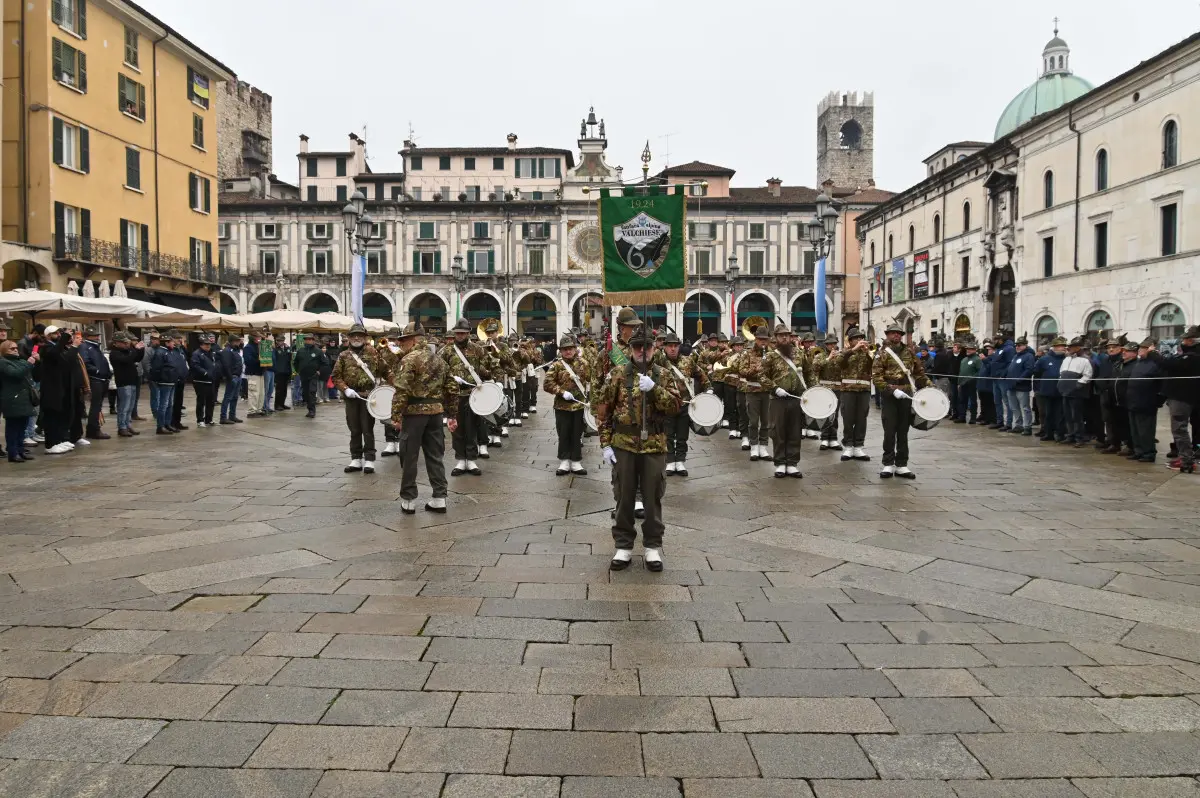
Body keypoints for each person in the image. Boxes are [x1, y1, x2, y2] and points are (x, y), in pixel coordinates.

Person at [592, 326, 683, 572]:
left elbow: (676, 406)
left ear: (655, 348)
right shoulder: (617, 374)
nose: (643, 351)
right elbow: (603, 411)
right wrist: (605, 443)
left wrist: (654, 388)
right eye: (637, 347)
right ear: (631, 349)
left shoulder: (664, 374)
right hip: (624, 444)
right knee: (623, 496)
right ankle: (623, 545)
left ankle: (653, 546)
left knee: (653, 497)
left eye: (648, 347)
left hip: (654, 444)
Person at [389, 322, 450, 513]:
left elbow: (401, 390)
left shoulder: (409, 359)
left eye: (404, 340)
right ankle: (439, 498)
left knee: (409, 455)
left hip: (414, 414)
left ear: (413, 339)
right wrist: (452, 414)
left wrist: (396, 416)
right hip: (436, 413)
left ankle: (408, 500)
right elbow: (452, 388)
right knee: (435, 455)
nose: (401, 345)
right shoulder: (440, 360)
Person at [872, 322, 931, 479]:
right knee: (890, 430)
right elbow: (876, 377)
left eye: (899, 333)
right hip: (891, 396)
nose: (896, 335)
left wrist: (930, 388)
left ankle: (902, 465)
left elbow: (919, 373)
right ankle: (888, 463)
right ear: (888, 335)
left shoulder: (909, 352)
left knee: (903, 431)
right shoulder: (882, 353)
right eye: (893, 333)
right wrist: (890, 390)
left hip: (906, 395)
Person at [441, 317, 497, 477]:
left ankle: (471, 459)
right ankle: (460, 459)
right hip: (454, 395)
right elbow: (439, 370)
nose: (460, 336)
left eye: (463, 333)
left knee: (473, 426)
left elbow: (488, 365)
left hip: (474, 394)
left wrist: (490, 379)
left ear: (468, 334)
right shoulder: (446, 350)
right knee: (456, 427)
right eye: (458, 333)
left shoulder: (478, 349)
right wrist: (450, 379)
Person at [761, 323, 815, 477]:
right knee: (778, 431)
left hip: (796, 398)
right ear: (776, 338)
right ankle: (780, 463)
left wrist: (814, 390)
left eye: (787, 335)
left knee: (794, 430)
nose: (785, 337)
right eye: (781, 335)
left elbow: (809, 373)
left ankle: (792, 462)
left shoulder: (799, 354)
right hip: (778, 399)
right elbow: (761, 376)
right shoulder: (771, 356)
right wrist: (774, 388)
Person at [332, 323, 385, 474]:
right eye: (353, 335)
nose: (356, 338)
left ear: (364, 338)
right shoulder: (343, 356)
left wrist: (388, 389)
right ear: (348, 338)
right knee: (354, 428)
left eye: (359, 335)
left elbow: (386, 370)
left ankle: (369, 459)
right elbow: (336, 376)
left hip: (369, 397)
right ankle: (356, 458)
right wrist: (345, 389)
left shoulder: (373, 353)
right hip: (352, 397)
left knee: (367, 429)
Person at [658, 330, 710, 476]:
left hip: (684, 404)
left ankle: (680, 461)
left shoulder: (687, 361)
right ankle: (670, 461)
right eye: (669, 346)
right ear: (664, 347)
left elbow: (701, 375)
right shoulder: (659, 363)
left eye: (675, 345)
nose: (673, 349)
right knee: (667, 434)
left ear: (679, 346)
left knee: (682, 435)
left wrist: (709, 388)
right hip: (667, 405)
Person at [1150, 325, 1200, 472]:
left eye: (1185, 339)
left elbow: (1168, 364)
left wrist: (1153, 354)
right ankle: (1187, 456)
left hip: (1182, 397)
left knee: (1179, 429)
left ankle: (1187, 461)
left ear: (1191, 341)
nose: (1182, 342)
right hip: (1185, 397)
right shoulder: (1189, 356)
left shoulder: (1193, 357)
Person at [543, 333, 591, 476]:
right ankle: (564, 461)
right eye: (565, 349)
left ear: (575, 349)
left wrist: (591, 399)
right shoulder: (556, 365)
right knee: (563, 433)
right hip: (562, 405)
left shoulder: (584, 363)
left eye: (570, 348)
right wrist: (561, 392)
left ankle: (576, 461)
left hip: (579, 405)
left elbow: (591, 382)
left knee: (577, 433)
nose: (568, 351)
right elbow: (547, 383)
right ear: (561, 351)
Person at [836, 327, 873, 461]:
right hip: (848, 390)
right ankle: (848, 446)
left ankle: (858, 446)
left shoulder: (867, 353)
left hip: (864, 390)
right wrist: (853, 350)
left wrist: (868, 352)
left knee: (861, 418)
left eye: (860, 338)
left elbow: (875, 366)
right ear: (850, 341)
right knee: (848, 418)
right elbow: (838, 362)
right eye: (856, 339)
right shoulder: (845, 352)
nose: (859, 340)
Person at [1126, 338, 1165, 462]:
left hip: (1147, 402)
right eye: (1140, 348)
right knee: (1135, 430)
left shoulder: (1155, 363)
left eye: (1143, 348)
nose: (1140, 350)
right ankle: (1139, 451)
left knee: (1146, 431)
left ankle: (1148, 453)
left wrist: (1158, 400)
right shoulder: (1139, 363)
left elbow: (1161, 383)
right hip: (1133, 401)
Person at [737, 326, 772, 462]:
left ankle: (763, 447)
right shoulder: (747, 353)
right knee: (753, 421)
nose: (763, 342)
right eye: (760, 339)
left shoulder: (771, 354)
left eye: (765, 339)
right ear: (755, 339)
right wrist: (755, 369)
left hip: (766, 391)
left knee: (766, 421)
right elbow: (742, 371)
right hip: (752, 391)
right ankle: (754, 446)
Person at [1, 339, 38, 462]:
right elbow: (16, 374)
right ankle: (13, 452)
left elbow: (31, 373)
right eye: (12, 348)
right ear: (4, 350)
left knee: (22, 427)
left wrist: (35, 362)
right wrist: (28, 364)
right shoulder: (3, 362)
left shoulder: (21, 361)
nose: (16, 350)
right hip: (12, 399)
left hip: (24, 398)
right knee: (13, 427)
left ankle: (20, 450)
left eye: (16, 348)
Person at [1059, 336, 1094, 447]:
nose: (1069, 348)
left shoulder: (1085, 360)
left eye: (1072, 347)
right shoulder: (1066, 359)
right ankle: (1070, 435)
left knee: (1077, 416)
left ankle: (1079, 438)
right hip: (1065, 391)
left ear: (1078, 347)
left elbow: (1088, 375)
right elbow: (1061, 372)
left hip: (1077, 392)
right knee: (1068, 415)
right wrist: (1060, 383)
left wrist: (1079, 384)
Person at [109, 331, 145, 437]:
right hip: (123, 383)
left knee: (130, 406)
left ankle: (128, 425)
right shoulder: (115, 353)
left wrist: (141, 350)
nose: (126, 344)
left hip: (132, 381)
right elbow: (127, 359)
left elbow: (137, 358)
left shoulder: (127, 351)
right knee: (123, 407)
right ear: (116, 343)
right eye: (124, 343)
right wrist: (135, 349)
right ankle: (122, 427)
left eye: (126, 342)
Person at [79, 326, 112, 441]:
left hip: (101, 379)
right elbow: (85, 362)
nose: (98, 337)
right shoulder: (85, 347)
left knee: (97, 406)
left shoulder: (94, 347)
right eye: (95, 335)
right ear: (88, 336)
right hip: (95, 379)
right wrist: (97, 370)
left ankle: (93, 428)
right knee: (95, 406)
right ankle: (94, 429)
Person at [1033, 337, 1067, 442]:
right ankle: (1048, 433)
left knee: (1060, 414)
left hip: (1061, 391)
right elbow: (1036, 372)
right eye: (1060, 346)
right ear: (1054, 347)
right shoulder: (1044, 359)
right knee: (1048, 414)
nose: (1062, 348)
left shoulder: (1066, 359)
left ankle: (1060, 433)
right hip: (1047, 391)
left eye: (1063, 346)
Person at [1003, 336, 1036, 435]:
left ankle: (1027, 426)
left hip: (1022, 387)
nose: (1017, 347)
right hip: (1011, 386)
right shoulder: (1015, 356)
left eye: (1019, 345)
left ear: (1025, 345)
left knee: (1025, 407)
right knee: (1014, 407)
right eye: (1016, 345)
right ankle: (1018, 425)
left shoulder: (1029, 356)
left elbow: (1029, 370)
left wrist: (1019, 379)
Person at [292, 334, 327, 418]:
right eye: (306, 339)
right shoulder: (301, 350)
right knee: (305, 393)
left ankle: (312, 410)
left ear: (313, 340)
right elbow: (295, 362)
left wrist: (319, 371)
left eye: (310, 339)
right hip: (303, 375)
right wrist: (298, 371)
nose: (308, 341)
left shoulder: (318, 351)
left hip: (313, 375)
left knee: (312, 391)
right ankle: (309, 408)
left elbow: (325, 363)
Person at [189, 334, 219, 428]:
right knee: (201, 401)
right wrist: (205, 373)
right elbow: (195, 366)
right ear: (201, 345)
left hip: (211, 380)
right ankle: (200, 420)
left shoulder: (212, 353)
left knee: (211, 401)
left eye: (209, 344)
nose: (208, 346)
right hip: (200, 381)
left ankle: (209, 419)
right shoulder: (197, 354)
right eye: (206, 344)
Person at [218, 334, 245, 424]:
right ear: (232, 341)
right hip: (233, 376)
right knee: (228, 397)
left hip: (238, 376)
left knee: (235, 397)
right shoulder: (227, 351)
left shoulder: (235, 350)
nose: (238, 342)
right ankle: (223, 417)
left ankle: (232, 415)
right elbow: (226, 365)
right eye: (237, 341)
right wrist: (230, 377)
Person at [990, 335, 1015, 430]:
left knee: (1007, 401)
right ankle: (999, 421)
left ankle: (1009, 423)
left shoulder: (1009, 349)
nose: (994, 341)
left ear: (1001, 340)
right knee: (997, 401)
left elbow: (1010, 363)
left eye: (996, 339)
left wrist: (1003, 374)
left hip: (1002, 379)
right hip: (995, 378)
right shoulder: (998, 349)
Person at [955, 339, 981, 424]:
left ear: (975, 350)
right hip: (962, 383)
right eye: (967, 349)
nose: (968, 350)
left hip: (972, 383)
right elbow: (961, 372)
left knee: (973, 401)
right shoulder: (964, 360)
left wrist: (972, 379)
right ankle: (962, 417)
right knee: (962, 400)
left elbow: (979, 371)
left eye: (970, 349)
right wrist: (959, 383)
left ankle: (973, 418)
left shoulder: (977, 359)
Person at [168, 331, 189, 432]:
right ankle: (171, 423)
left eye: (180, 338)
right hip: (174, 380)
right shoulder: (170, 350)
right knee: (172, 402)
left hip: (181, 379)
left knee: (179, 403)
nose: (180, 340)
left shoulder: (181, 349)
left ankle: (177, 422)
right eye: (177, 339)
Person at [243, 333, 264, 416]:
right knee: (253, 392)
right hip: (253, 373)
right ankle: (252, 411)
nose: (259, 338)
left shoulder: (259, 346)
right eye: (258, 337)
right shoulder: (248, 348)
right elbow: (248, 361)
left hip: (260, 372)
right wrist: (260, 360)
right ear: (253, 338)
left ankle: (259, 409)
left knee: (261, 393)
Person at [271, 335, 292, 411]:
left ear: (283, 341)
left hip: (286, 371)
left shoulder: (287, 348)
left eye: (281, 341)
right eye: (278, 341)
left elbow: (290, 358)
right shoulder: (275, 349)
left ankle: (282, 404)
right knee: (279, 389)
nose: (279, 342)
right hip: (279, 371)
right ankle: (277, 405)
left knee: (284, 389)